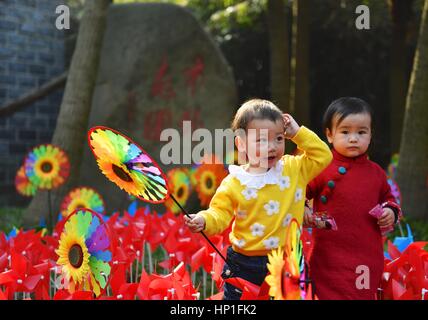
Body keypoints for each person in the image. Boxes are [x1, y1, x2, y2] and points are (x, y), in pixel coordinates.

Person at [184, 99, 332, 300]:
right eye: (262, 140)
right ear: (241, 143)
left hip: (287, 261)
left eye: (279, 138)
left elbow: (323, 156)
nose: (272, 147)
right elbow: (219, 212)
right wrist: (204, 220)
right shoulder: (235, 182)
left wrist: (298, 133)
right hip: (245, 264)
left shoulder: (294, 169)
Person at [304, 97, 402, 300]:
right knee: (326, 295)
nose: (354, 138)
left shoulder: (376, 173)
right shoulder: (321, 168)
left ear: (370, 135)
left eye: (361, 132)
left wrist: (389, 211)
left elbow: (389, 198)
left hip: (365, 256)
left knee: (361, 295)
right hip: (328, 256)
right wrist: (303, 207)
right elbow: (299, 193)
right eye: (345, 132)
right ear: (330, 135)